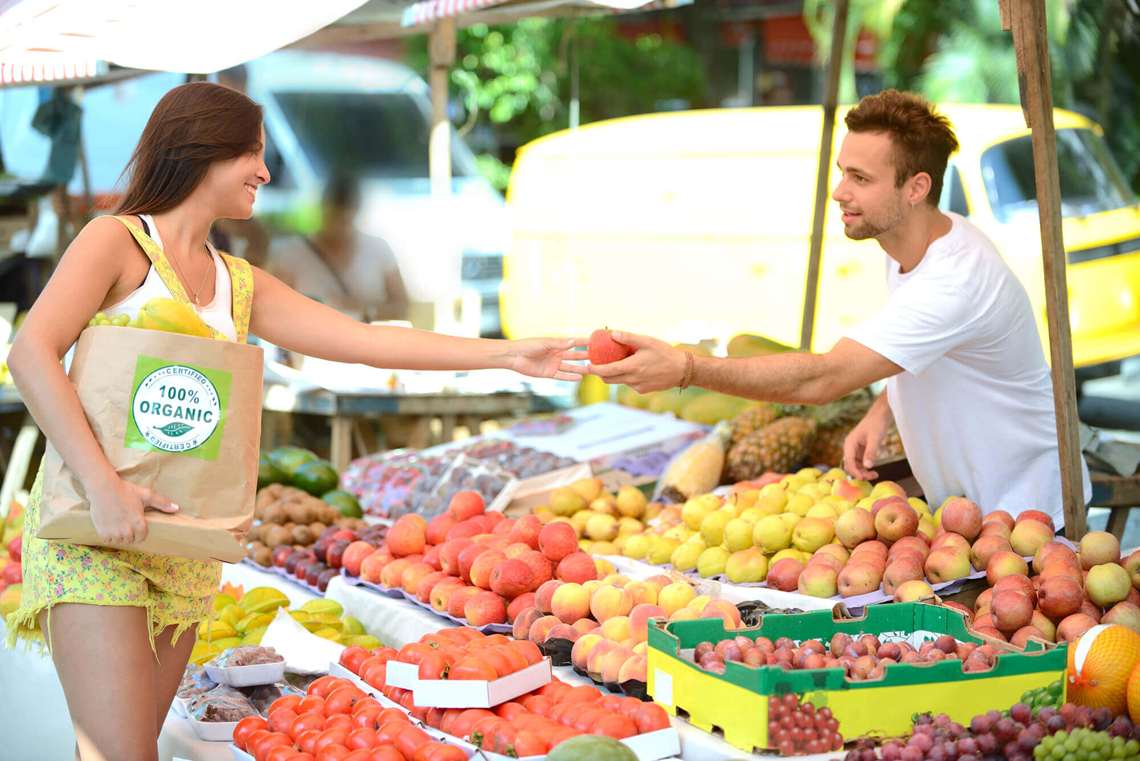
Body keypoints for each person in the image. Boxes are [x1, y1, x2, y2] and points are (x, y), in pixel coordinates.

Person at [3, 82, 583, 761]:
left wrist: (509, 354)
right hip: (95, 534)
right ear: (202, 151)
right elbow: (30, 352)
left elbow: (364, 341)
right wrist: (103, 486)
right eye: (253, 154)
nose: (265, 172)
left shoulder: (236, 282)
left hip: (182, 546)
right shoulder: (116, 241)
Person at [590, 89, 1090, 525]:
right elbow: (933, 348)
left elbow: (823, 379)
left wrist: (686, 369)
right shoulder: (917, 242)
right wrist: (884, 407)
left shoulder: (955, 278)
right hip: (973, 511)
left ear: (916, 187)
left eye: (860, 179)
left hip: (1029, 511)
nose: (839, 192)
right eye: (842, 173)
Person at [268, 172, 409, 322]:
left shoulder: (378, 249)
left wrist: (364, 310)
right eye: (334, 218)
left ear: (356, 212)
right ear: (323, 210)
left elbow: (402, 306)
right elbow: (276, 309)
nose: (339, 228)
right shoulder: (291, 253)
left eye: (345, 220)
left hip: (364, 334)